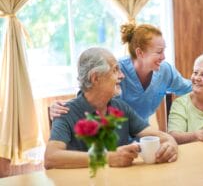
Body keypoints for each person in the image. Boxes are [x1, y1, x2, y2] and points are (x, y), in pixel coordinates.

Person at [50, 23, 203, 123]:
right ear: (140, 53)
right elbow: (89, 94)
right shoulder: (117, 71)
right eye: (159, 52)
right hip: (113, 137)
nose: (164, 57)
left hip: (142, 134)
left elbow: (195, 85)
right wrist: (59, 108)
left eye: (164, 51)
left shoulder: (165, 71)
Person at [44, 47, 178, 169]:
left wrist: (171, 145)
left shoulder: (121, 107)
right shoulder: (65, 111)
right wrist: (108, 157)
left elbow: (161, 137)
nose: (122, 75)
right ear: (95, 78)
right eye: (115, 70)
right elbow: (51, 158)